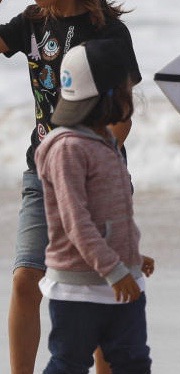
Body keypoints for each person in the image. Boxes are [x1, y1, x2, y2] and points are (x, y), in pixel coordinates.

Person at [0, 0, 142, 374]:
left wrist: (98, 161)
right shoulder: (31, 24)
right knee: (26, 278)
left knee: (99, 291)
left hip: (97, 177)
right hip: (39, 174)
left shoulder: (109, 33)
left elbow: (123, 115)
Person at [34, 39, 154, 373]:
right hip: (78, 289)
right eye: (127, 89)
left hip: (119, 281)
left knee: (133, 362)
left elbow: (110, 214)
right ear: (110, 96)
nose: (133, 96)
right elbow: (76, 222)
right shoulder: (68, 148)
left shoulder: (104, 143)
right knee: (69, 364)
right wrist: (115, 270)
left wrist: (130, 255)